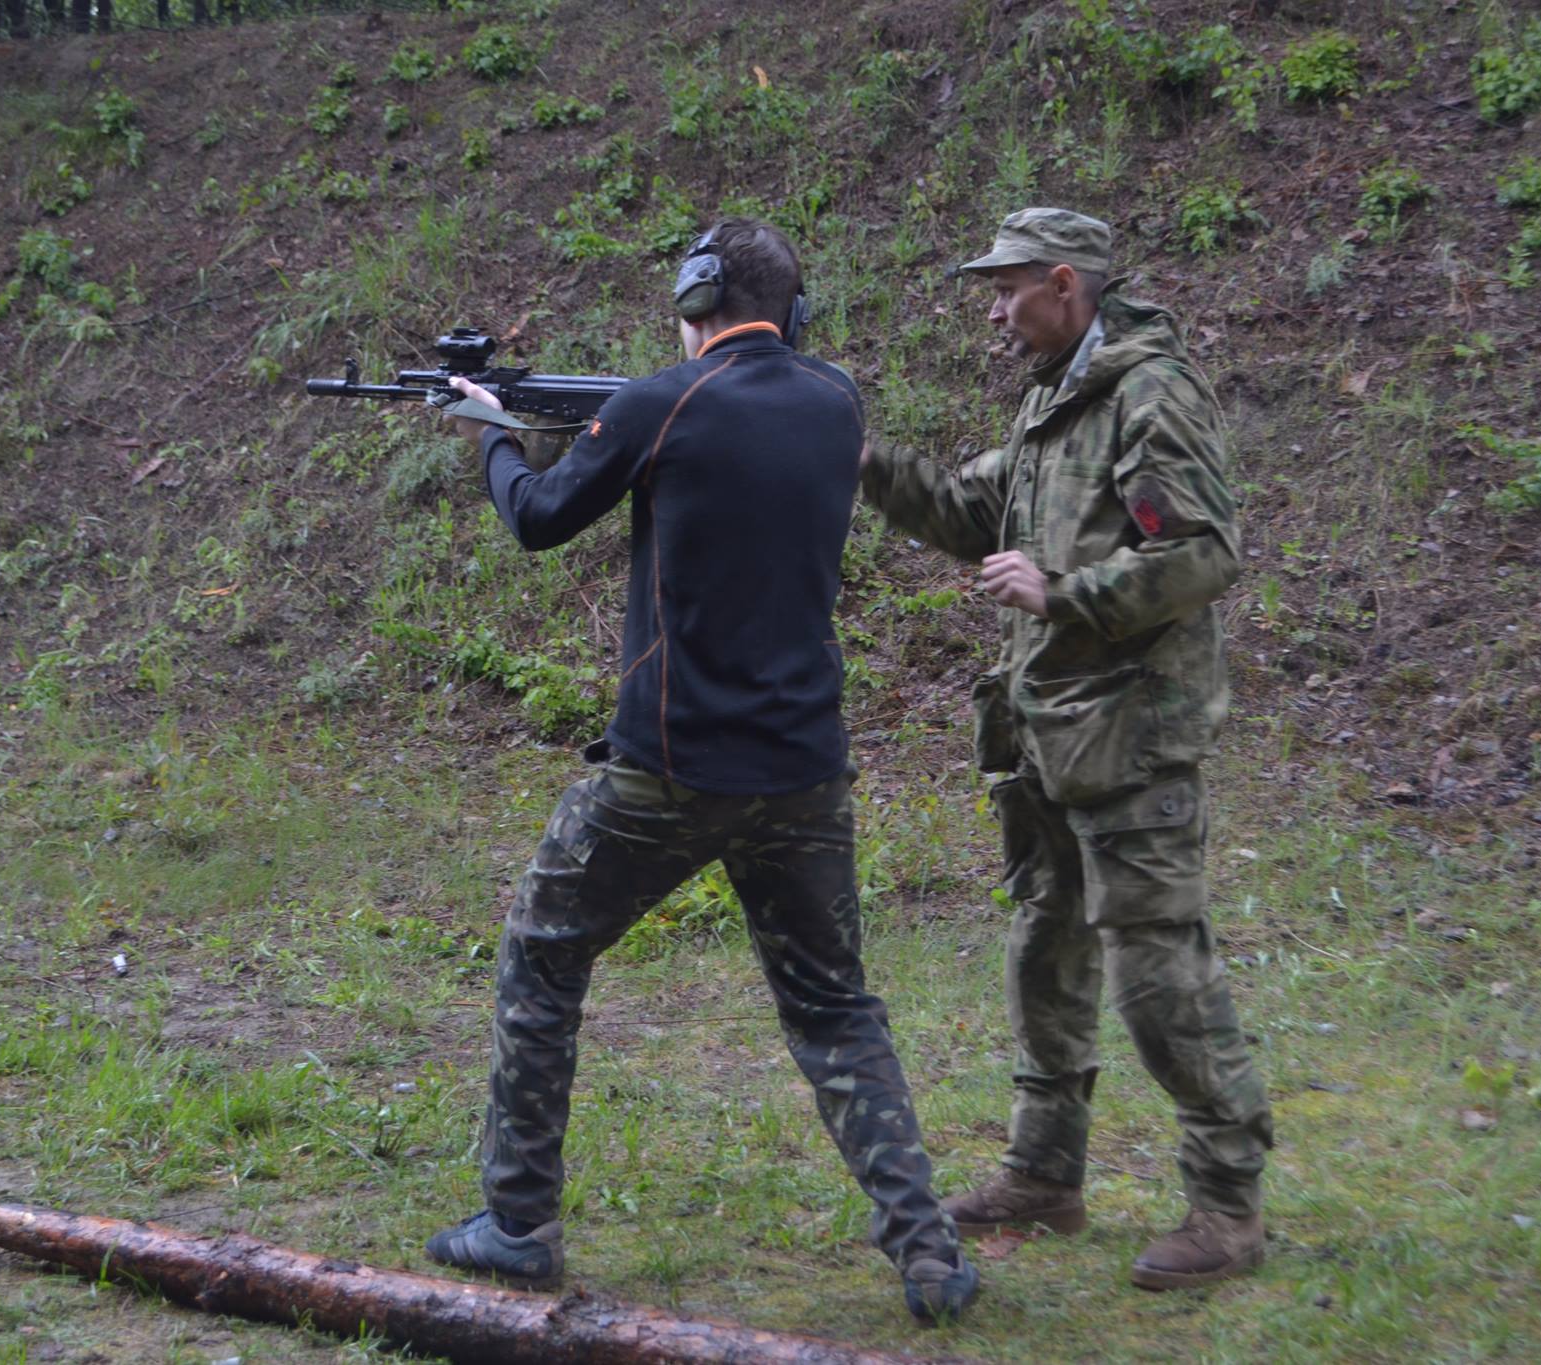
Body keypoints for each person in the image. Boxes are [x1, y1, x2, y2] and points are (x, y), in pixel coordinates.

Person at [422, 217, 976, 1321]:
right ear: (793, 313)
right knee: (834, 1008)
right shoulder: (834, 403)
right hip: (805, 766)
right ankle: (928, 1252)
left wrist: (491, 434)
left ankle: (517, 1223)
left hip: (671, 767)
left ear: (694, 298)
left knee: (541, 951)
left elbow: (537, 517)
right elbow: (711, 429)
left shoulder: (657, 405)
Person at [857, 207, 1274, 1291]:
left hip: (1132, 733)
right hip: (1049, 731)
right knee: (1045, 945)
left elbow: (1202, 553)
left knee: (1156, 968)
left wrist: (1063, 592)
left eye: (1006, 292)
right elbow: (970, 509)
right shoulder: (1056, 398)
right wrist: (856, 459)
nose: (993, 313)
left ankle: (1227, 1205)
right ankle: (1044, 1175)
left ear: (1062, 283)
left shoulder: (1149, 394)